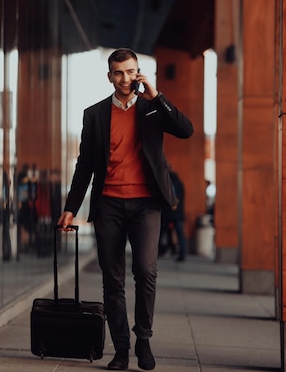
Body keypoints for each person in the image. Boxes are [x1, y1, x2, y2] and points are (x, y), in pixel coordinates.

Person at [57, 48, 193, 371]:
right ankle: (121, 348)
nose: (125, 78)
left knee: (146, 270)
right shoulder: (95, 114)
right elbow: (85, 165)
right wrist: (70, 208)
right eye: (119, 73)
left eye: (131, 71)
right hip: (109, 206)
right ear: (110, 77)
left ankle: (143, 338)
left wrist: (157, 95)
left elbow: (186, 129)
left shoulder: (152, 108)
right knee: (112, 279)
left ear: (138, 73)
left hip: (146, 204)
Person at [159, 166, 187, 261]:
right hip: (178, 214)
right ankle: (182, 254)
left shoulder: (166, 183)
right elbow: (182, 197)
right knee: (180, 235)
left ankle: (158, 252)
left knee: (161, 233)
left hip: (168, 213)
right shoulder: (180, 183)